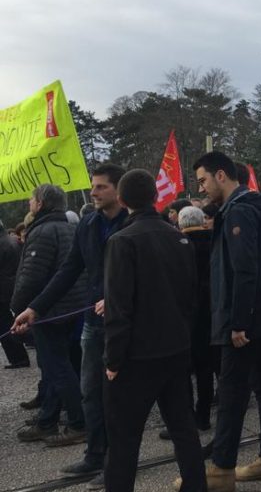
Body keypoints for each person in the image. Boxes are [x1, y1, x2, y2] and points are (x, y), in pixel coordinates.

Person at [12, 164, 128, 482]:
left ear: (119, 189)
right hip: (93, 322)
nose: (93, 192)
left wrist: (116, 298)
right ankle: (94, 455)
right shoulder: (88, 224)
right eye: (92, 186)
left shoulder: (134, 223)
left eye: (101, 187)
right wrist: (34, 308)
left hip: (127, 324)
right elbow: (69, 269)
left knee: (118, 396)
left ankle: (116, 464)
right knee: (90, 392)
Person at [193, 151, 261, 490]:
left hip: (245, 321)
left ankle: (221, 470)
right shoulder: (251, 208)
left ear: (221, 175)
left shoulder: (238, 211)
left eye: (203, 180)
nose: (202, 188)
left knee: (233, 393)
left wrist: (238, 323)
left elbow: (244, 270)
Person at [102, 170, 205, 492]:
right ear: (155, 197)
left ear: (121, 200)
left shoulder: (122, 241)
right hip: (175, 349)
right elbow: (191, 296)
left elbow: (119, 309)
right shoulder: (180, 236)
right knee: (183, 428)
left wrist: (112, 360)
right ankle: (196, 486)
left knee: (123, 439)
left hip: (137, 355)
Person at [10, 185, 87, 447]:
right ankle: (47, 420)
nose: (29, 203)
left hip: (49, 310)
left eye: (31, 199)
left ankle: (78, 423)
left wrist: (18, 307)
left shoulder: (42, 230)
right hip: (69, 306)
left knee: (57, 368)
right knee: (58, 366)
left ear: (40, 203)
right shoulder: (70, 226)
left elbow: (32, 276)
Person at [178, 206, 215, 430]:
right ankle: (204, 415)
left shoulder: (179, 246)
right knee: (206, 368)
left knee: (184, 371)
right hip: (211, 312)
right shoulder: (214, 241)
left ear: (181, 223)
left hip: (187, 314)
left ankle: (187, 417)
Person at [1, 221, 29, 369]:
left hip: (3, 290)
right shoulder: (13, 241)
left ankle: (17, 357)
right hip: (14, 285)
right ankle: (20, 355)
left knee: (5, 324)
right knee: (12, 321)